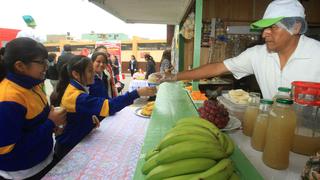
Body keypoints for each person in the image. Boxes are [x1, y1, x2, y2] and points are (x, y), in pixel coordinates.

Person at [157, 0, 320, 99]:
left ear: (296, 27)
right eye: (264, 28)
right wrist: (174, 76)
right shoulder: (258, 54)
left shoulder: (316, 55)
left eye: (273, 27)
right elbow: (217, 67)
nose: (264, 34)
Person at [50, 55, 156, 160]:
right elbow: (109, 106)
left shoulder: (76, 89)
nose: (94, 74)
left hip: (75, 142)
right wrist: (136, 93)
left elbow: (76, 114)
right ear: (76, 74)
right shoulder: (76, 96)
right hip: (68, 148)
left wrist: (88, 118)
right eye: (90, 71)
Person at [0, 37, 66, 179]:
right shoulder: (7, 100)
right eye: (41, 62)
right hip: (24, 172)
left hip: (44, 160)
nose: (46, 66)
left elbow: (34, 124)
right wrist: (50, 123)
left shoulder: (34, 84)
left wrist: (52, 126)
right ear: (20, 66)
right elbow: (8, 151)